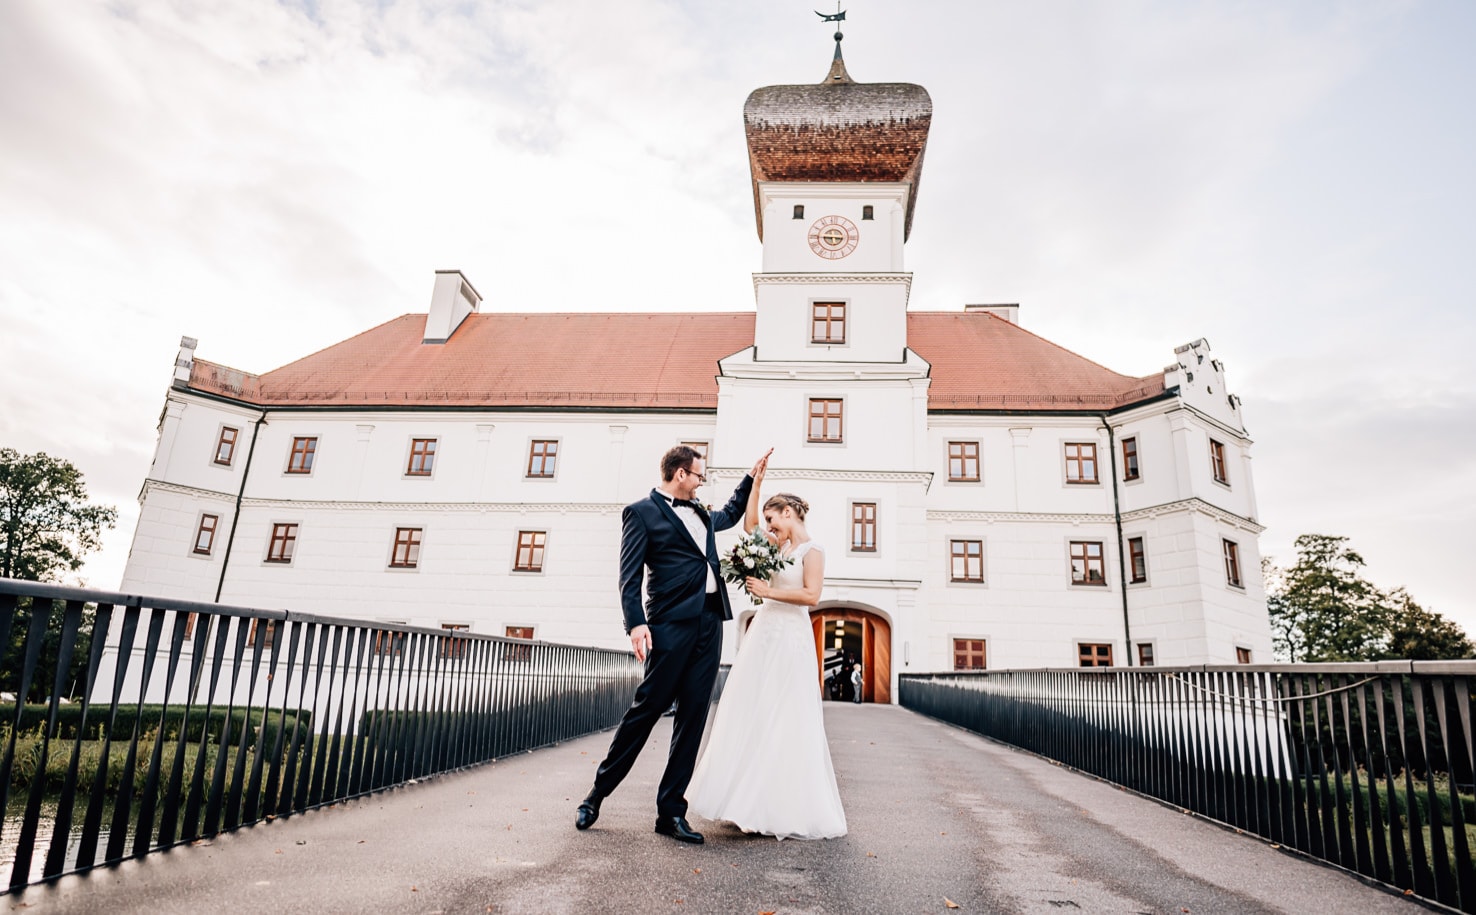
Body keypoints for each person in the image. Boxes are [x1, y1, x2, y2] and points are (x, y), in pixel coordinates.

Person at [575, 445, 768, 844]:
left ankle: (670, 813)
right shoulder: (641, 513)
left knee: (694, 715)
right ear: (680, 474)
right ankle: (596, 795)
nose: (702, 482)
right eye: (699, 475)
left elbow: (731, 514)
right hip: (668, 625)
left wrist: (751, 478)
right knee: (645, 712)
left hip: (709, 622)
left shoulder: (700, 511)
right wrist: (636, 625)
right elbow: (628, 578)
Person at [686, 459, 847, 840]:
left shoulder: (813, 550)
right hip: (764, 635)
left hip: (791, 635)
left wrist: (768, 591)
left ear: (789, 514)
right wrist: (757, 485)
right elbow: (749, 526)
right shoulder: (778, 544)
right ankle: (745, 801)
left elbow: (811, 595)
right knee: (753, 709)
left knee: (785, 712)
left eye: (775, 521)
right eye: (771, 524)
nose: (770, 529)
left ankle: (777, 805)